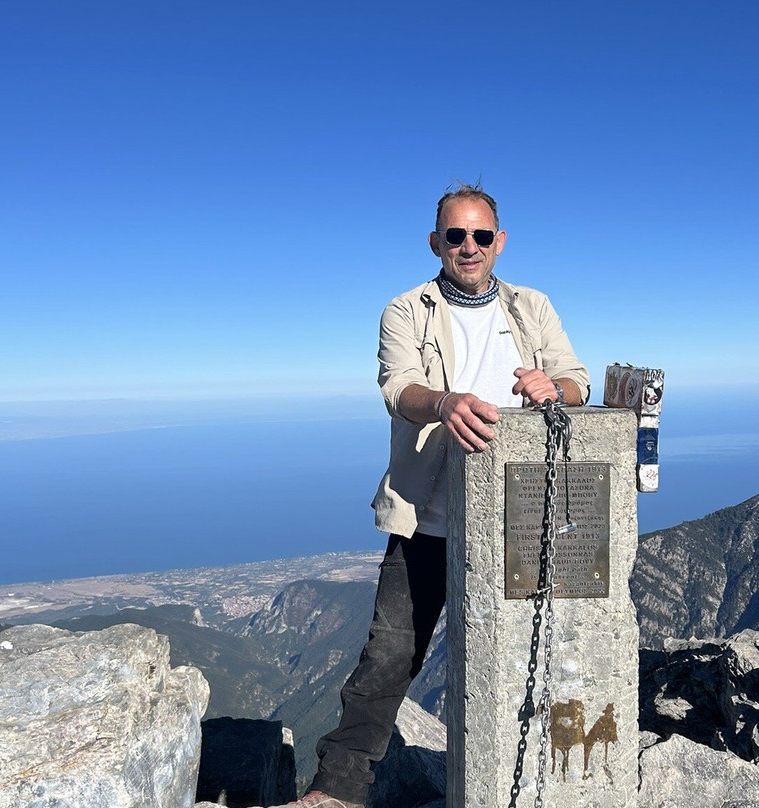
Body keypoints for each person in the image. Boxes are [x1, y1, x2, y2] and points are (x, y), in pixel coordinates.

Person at [279, 183, 589, 808]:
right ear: (435, 243)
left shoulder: (532, 307)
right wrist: (445, 404)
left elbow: (579, 381)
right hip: (427, 515)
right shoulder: (407, 309)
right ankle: (336, 792)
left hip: (517, 518)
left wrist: (550, 385)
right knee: (390, 656)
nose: (468, 247)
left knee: (530, 652)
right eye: (455, 235)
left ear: (499, 243)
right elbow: (398, 388)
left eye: (480, 236)